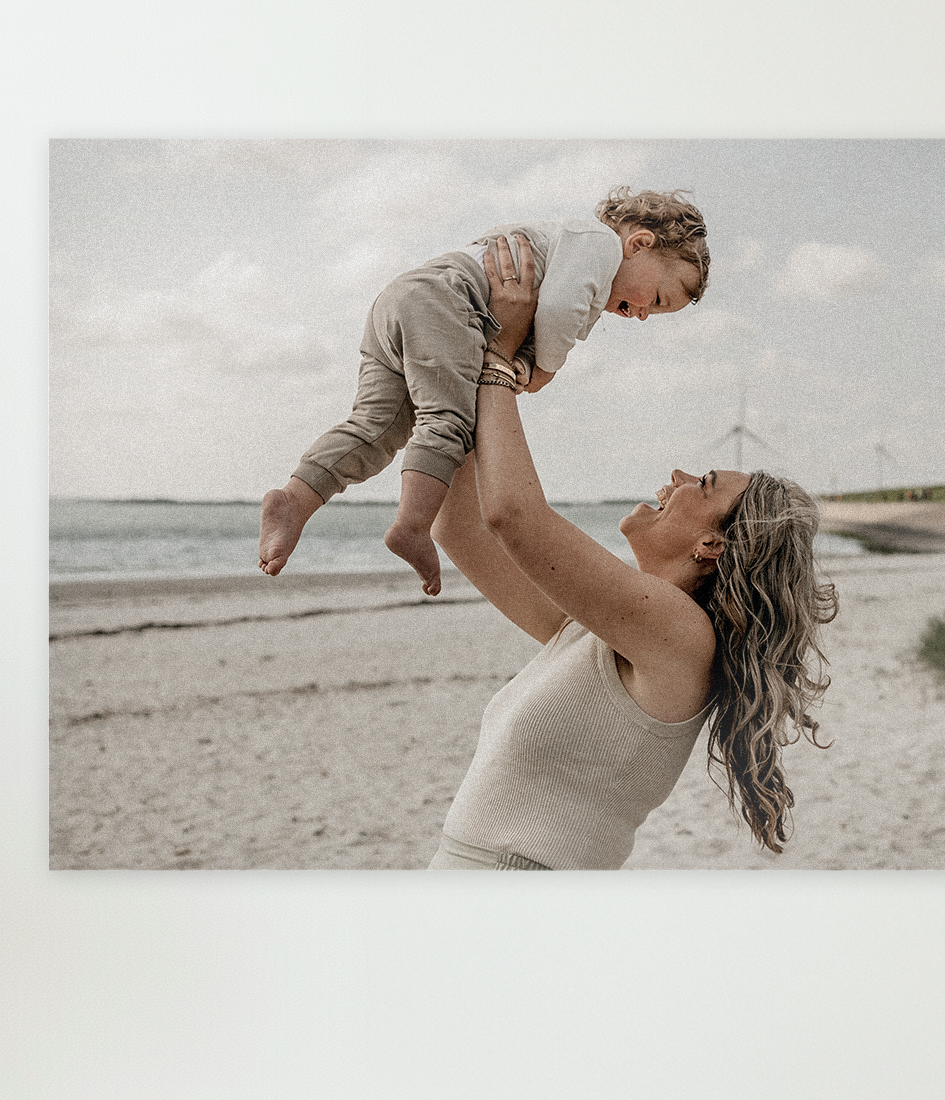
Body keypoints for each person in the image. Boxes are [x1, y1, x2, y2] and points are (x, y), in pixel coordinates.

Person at [428, 236, 837, 867]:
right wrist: (453, 366)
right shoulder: (604, 631)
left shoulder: (681, 637)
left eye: (704, 484)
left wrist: (499, 357)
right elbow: (460, 530)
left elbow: (514, 516)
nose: (677, 476)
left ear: (713, 544)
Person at [258, 188, 711, 597]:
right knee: (448, 422)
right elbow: (557, 310)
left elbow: (539, 313)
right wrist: (544, 368)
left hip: (403, 298)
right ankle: (412, 525)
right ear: (639, 244)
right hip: (449, 300)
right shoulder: (599, 247)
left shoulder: (569, 251)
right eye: (657, 298)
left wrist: (524, 358)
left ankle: (295, 499)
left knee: (376, 427)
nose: (643, 315)